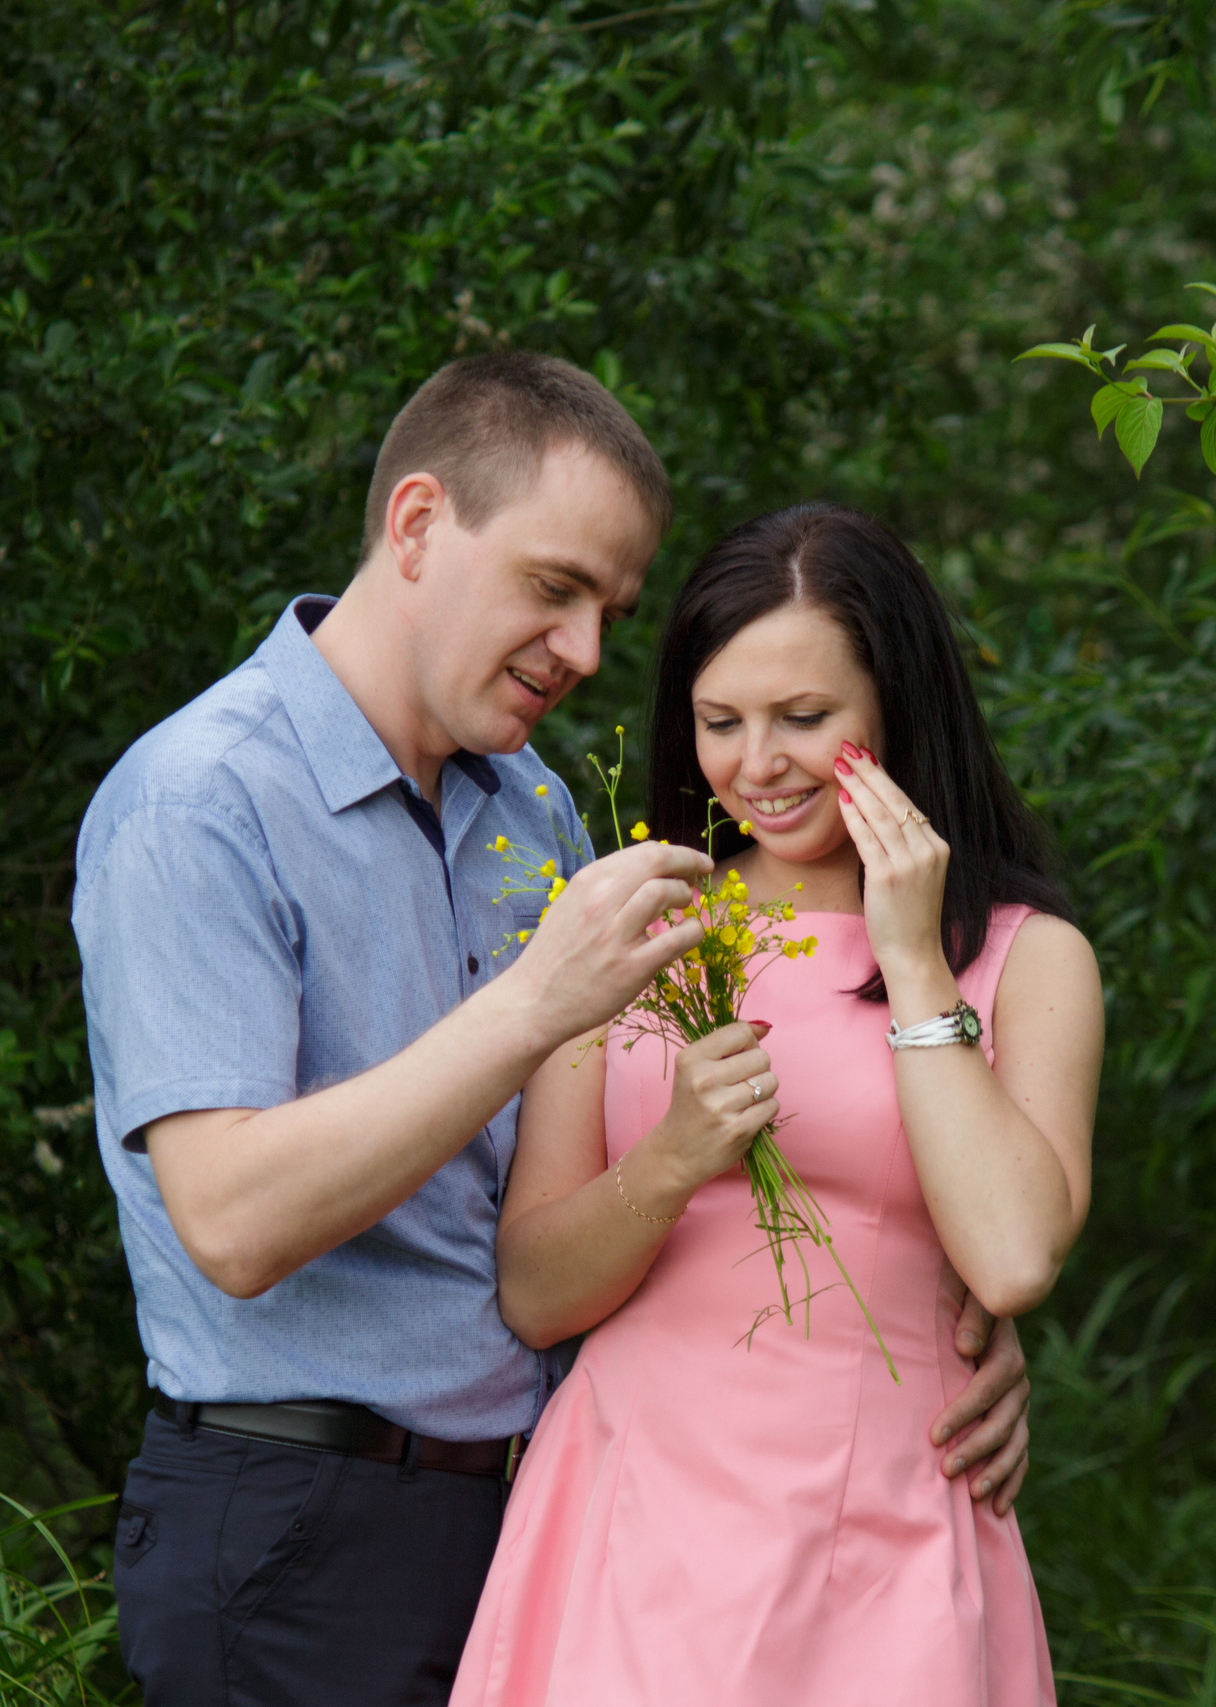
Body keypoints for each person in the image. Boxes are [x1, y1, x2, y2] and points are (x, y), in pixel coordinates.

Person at [72, 355, 1035, 1706]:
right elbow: (230, 1219)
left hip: (529, 1522)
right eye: (554, 587)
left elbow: (591, 1204)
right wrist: (535, 1000)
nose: (586, 652)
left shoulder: (531, 812)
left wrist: (941, 1335)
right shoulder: (201, 805)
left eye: (611, 610)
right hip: (293, 1526)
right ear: (416, 526)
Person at [451, 502, 1104, 1705]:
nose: (758, 763)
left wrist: (912, 963)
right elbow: (537, 1293)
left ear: (896, 706)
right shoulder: (634, 928)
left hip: (888, 1550)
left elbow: (1011, 1258)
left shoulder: (1025, 954)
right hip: (632, 1538)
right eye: (720, 721)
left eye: (805, 718)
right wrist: (678, 1154)